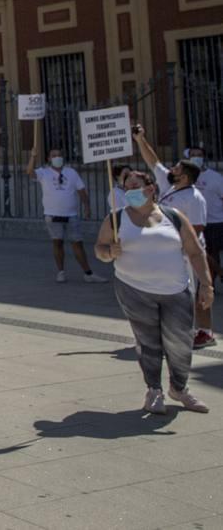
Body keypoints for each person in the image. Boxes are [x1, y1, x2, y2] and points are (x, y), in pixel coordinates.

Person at [94, 169, 210, 415]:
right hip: (134, 289)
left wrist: (206, 285)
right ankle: (154, 391)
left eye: (135, 186)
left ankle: (179, 388)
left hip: (176, 290)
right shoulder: (115, 219)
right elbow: (100, 249)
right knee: (148, 342)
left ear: (150, 189)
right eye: (127, 188)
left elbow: (195, 252)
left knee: (180, 342)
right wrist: (108, 253)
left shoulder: (173, 216)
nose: (130, 192)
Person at [134, 127, 211, 347]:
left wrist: (179, 244)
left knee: (193, 293)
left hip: (187, 253)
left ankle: (204, 331)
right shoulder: (169, 186)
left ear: (184, 176)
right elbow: (153, 161)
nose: (171, 169)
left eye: (176, 167)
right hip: (168, 250)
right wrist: (141, 139)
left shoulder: (195, 198)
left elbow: (196, 228)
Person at [26, 146, 105, 283]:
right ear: (49, 159)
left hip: (71, 215)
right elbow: (29, 173)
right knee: (57, 243)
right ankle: (60, 272)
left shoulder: (71, 172)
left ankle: (88, 273)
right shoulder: (44, 172)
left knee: (77, 243)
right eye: (54, 155)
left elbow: (81, 190)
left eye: (59, 155)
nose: (57, 157)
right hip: (52, 215)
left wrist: (87, 206)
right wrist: (33, 157)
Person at [188, 145, 223, 293]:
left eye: (199, 155)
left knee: (212, 252)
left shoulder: (215, 177)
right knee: (201, 253)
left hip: (214, 221)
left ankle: (212, 282)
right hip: (194, 222)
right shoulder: (185, 177)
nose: (196, 157)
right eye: (193, 155)